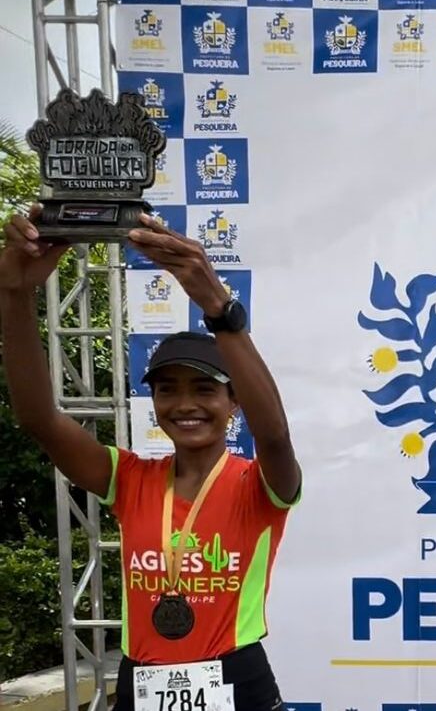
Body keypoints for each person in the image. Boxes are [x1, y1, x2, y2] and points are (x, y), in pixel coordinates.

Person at [0, 210, 301, 711]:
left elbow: (274, 435)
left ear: (234, 403)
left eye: (205, 389)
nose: (185, 404)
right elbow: (39, 419)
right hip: (142, 683)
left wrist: (218, 307)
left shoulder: (260, 485)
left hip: (236, 679)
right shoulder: (130, 477)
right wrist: (13, 294)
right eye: (167, 390)